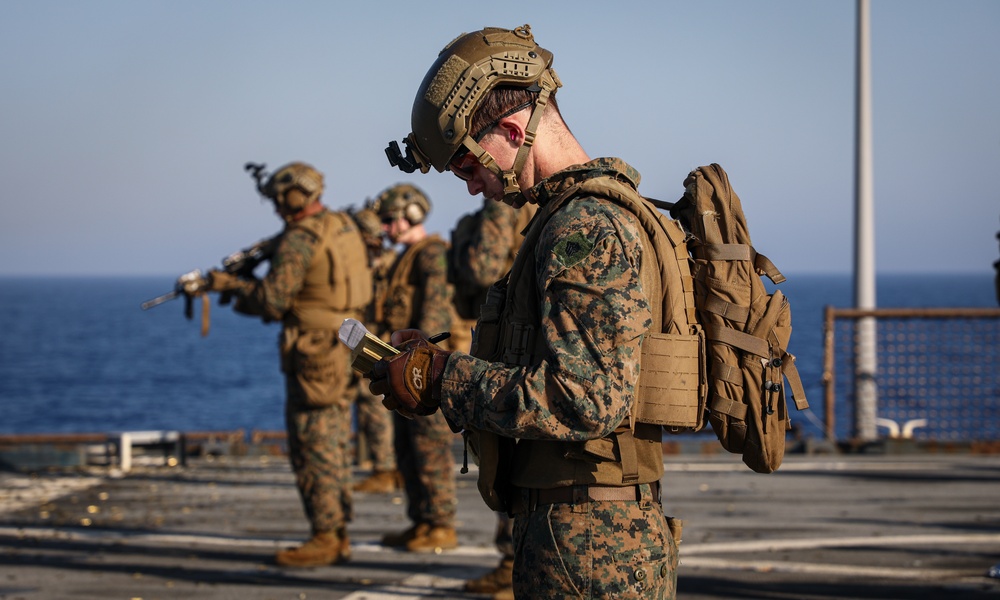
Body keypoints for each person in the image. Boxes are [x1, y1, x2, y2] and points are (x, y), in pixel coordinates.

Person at [374, 25, 679, 598]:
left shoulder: (584, 228)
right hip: (582, 533)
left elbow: (587, 400)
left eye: (468, 167)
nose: (470, 188)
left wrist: (443, 378)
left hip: (590, 545)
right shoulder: (575, 219)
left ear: (513, 130)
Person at [205, 161, 372, 567]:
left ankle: (326, 535)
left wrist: (230, 287)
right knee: (334, 441)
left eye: (281, 197)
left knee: (313, 443)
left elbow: (273, 300)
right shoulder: (342, 226)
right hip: (350, 339)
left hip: (315, 350)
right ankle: (337, 530)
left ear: (294, 195)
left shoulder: (300, 238)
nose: (278, 205)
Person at [448, 197, 536, 599]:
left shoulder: (507, 209)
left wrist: (498, 207)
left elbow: (483, 267)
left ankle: (513, 565)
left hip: (510, 352)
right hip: (507, 346)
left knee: (512, 463)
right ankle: (513, 563)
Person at [372, 183, 459, 552]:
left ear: (413, 216)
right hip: (401, 367)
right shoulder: (405, 258)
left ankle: (440, 523)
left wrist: (418, 365)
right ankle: (421, 520)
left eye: (391, 220)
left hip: (420, 371)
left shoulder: (431, 255)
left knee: (429, 449)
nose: (387, 229)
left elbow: (434, 317)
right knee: (407, 448)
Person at [348, 205, 402, 493]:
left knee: (370, 401)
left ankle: (384, 467)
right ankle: (386, 465)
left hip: (379, 338)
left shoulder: (383, 263)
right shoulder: (378, 261)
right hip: (370, 335)